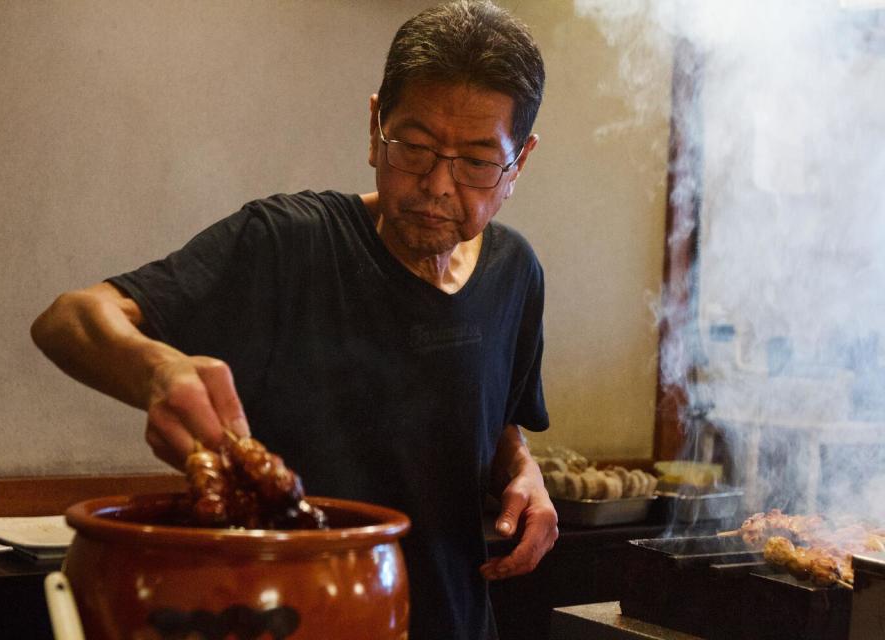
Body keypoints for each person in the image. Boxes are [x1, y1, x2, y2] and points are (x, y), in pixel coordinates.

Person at [31, 1, 558, 638]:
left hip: (457, 620)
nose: (438, 185)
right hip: (290, 615)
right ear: (374, 129)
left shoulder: (515, 273)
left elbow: (498, 425)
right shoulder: (290, 243)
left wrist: (522, 475)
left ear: (518, 163)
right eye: (414, 147)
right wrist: (155, 371)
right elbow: (70, 318)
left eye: (476, 162)